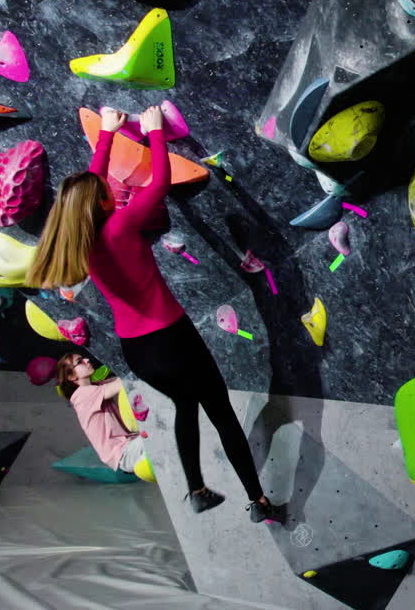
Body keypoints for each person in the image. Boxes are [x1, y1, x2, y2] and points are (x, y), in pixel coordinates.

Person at [27, 106, 286, 524]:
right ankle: (258, 501)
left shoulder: (84, 240)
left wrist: (108, 135)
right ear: (102, 200)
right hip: (172, 338)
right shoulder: (121, 226)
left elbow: (89, 189)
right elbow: (160, 182)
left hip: (139, 352)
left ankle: (197, 490)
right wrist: (153, 133)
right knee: (219, 412)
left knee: (186, 405)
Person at [56, 353, 147, 475]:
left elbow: (121, 379)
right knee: (160, 433)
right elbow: (123, 381)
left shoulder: (97, 386)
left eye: (84, 358)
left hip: (131, 445)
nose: (87, 360)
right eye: (80, 361)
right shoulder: (81, 396)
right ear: (71, 376)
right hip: (123, 453)